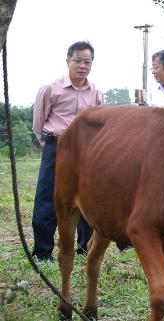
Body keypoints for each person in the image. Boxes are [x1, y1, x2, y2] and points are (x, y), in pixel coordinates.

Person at [31, 41, 104, 262]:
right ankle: (43, 253)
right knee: (48, 199)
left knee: (87, 199)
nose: (83, 66)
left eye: (87, 62)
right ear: (68, 61)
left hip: (87, 152)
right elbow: (38, 124)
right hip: (58, 149)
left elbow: (99, 123)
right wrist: (51, 147)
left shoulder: (96, 92)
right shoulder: (50, 89)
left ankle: (84, 250)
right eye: (78, 61)